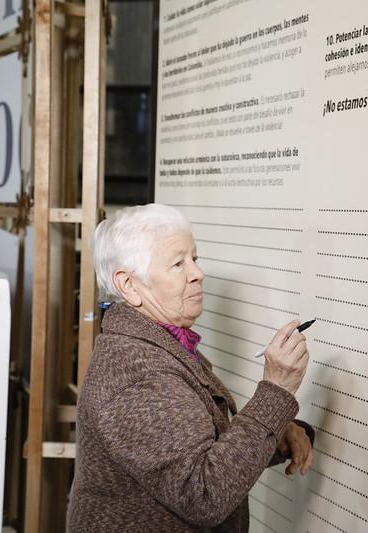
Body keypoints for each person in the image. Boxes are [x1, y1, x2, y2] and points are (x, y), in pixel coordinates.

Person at [67, 203, 313, 532]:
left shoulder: (162, 346)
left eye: (194, 258)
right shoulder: (135, 374)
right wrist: (276, 390)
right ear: (128, 285)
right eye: (178, 263)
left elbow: (200, 449)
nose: (197, 273)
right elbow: (204, 494)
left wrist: (276, 428)